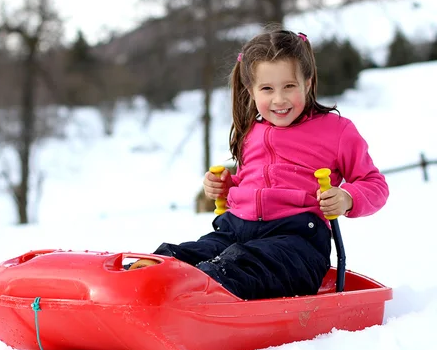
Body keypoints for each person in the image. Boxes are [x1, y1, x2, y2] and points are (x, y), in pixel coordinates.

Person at [130, 28, 389, 301]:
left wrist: (347, 198)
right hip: (235, 231)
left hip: (295, 244)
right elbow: (254, 183)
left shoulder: (336, 131)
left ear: (308, 83)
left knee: (237, 265)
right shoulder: (251, 131)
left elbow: (375, 184)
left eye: (289, 86)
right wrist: (227, 187)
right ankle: (143, 282)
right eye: (267, 89)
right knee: (187, 254)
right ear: (251, 91)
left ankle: (198, 294)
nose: (279, 99)